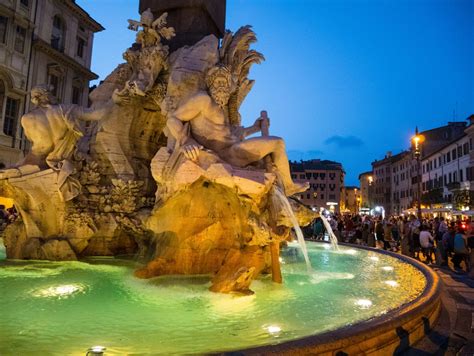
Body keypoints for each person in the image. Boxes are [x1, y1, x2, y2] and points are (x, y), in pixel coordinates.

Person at [165, 65, 307, 196]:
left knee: (278, 143)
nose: (222, 86)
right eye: (219, 82)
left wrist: (254, 128)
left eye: (225, 84)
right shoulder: (203, 100)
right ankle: (287, 186)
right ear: (211, 84)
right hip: (223, 156)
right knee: (278, 143)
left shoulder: (221, 109)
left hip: (233, 150)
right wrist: (186, 140)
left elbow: (229, 135)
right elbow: (172, 119)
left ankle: (288, 185)